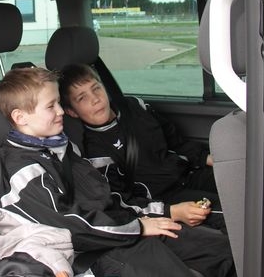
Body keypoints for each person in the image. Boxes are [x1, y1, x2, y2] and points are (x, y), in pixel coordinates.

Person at [0, 67, 240, 277]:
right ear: (20, 117)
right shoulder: (24, 170)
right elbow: (72, 227)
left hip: (121, 229)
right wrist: (138, 227)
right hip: (93, 251)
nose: (60, 111)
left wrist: (154, 215)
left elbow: (109, 197)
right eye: (51, 106)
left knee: (225, 254)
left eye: (58, 103)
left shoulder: (61, 147)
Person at [59, 63, 225, 231]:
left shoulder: (134, 106)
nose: (95, 99)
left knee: (235, 180)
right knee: (230, 209)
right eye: (82, 98)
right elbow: (120, 200)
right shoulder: (93, 151)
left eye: (96, 88)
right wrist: (171, 211)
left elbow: (175, 142)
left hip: (188, 174)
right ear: (72, 112)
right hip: (164, 198)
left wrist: (207, 158)